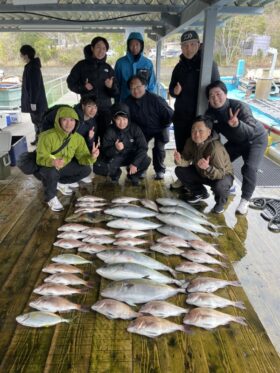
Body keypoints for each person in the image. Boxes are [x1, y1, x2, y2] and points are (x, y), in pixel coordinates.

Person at [205, 80, 268, 215]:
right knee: (220, 160)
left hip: (255, 139)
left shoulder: (240, 106)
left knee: (249, 168)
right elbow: (211, 132)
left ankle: (245, 199)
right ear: (208, 100)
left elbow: (250, 130)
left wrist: (237, 124)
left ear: (226, 94)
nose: (215, 98)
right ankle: (228, 186)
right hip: (236, 141)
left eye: (218, 94)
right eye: (211, 96)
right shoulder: (210, 113)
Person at [35, 107, 99, 212]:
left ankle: (61, 183)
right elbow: (40, 158)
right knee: (52, 172)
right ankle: (50, 197)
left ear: (76, 122)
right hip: (47, 167)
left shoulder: (78, 138)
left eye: (72, 120)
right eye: (64, 120)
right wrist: (53, 162)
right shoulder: (46, 136)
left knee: (86, 170)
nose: (68, 124)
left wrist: (92, 157)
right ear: (58, 121)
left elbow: (83, 158)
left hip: (63, 166)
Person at [168, 30, 220, 154]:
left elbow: (218, 89)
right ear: (181, 48)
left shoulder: (209, 65)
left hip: (201, 118)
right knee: (182, 152)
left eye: (192, 44)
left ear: (199, 44)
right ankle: (183, 172)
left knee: (202, 153)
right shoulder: (178, 68)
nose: (189, 49)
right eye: (185, 45)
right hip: (181, 118)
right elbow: (171, 90)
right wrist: (175, 91)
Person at [174, 115, 234, 214]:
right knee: (179, 170)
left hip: (221, 176)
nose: (196, 134)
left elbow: (221, 173)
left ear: (209, 132)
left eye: (200, 131)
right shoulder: (190, 141)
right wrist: (179, 160)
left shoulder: (215, 148)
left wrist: (208, 168)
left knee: (220, 186)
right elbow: (186, 160)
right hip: (201, 171)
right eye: (193, 130)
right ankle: (200, 193)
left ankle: (220, 203)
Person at [66, 36, 119, 141]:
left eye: (104, 48)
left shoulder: (108, 68)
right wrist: (83, 88)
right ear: (92, 48)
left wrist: (111, 87)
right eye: (98, 47)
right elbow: (70, 83)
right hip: (87, 109)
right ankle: (89, 156)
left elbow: (116, 92)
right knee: (88, 137)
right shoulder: (81, 65)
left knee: (105, 137)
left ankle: (103, 156)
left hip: (105, 109)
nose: (101, 51)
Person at [125, 75, 173, 179]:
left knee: (159, 147)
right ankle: (141, 168)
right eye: (132, 88)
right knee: (139, 147)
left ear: (145, 86)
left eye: (138, 87)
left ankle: (159, 170)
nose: (136, 90)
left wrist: (164, 125)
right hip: (141, 130)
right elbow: (125, 119)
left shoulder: (156, 99)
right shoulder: (127, 102)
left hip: (160, 127)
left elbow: (170, 115)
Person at [93, 103, 151, 186]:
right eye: (118, 119)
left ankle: (133, 175)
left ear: (128, 118)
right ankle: (115, 174)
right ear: (114, 119)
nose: (122, 122)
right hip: (116, 157)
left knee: (146, 159)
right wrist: (116, 149)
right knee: (99, 166)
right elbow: (105, 151)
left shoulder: (135, 128)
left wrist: (135, 163)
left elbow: (143, 147)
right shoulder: (109, 131)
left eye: (124, 119)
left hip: (131, 156)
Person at [115, 32, 156, 102]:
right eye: (131, 45)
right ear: (128, 46)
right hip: (125, 101)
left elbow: (151, 85)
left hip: (144, 101)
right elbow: (116, 84)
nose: (134, 47)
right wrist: (117, 103)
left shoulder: (148, 63)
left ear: (141, 46)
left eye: (137, 44)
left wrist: (150, 102)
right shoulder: (120, 63)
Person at [20, 45, 48, 146]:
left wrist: (33, 102)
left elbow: (34, 86)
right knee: (36, 122)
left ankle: (42, 141)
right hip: (35, 101)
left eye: (21, 55)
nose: (21, 57)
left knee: (40, 122)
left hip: (36, 102)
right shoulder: (31, 66)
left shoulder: (33, 67)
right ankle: (38, 139)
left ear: (26, 55)